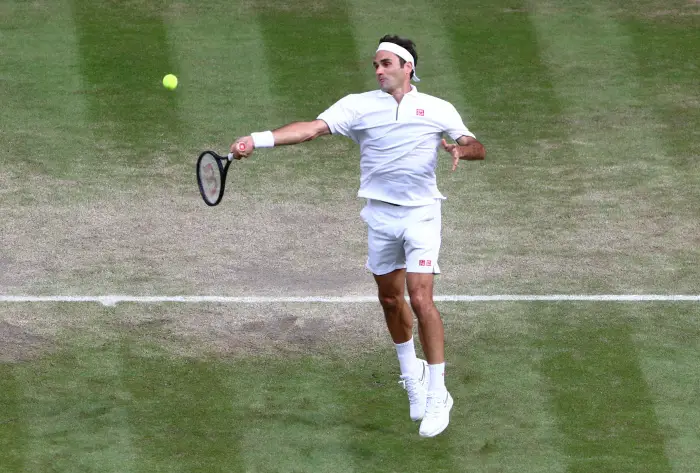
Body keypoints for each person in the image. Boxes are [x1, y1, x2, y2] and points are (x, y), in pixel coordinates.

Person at [229, 34, 485, 438]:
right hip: (380, 216)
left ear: (408, 68)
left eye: (386, 63)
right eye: (376, 65)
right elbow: (310, 130)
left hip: (422, 215)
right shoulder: (357, 106)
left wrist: (460, 150)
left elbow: (476, 145)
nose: (379, 70)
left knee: (420, 297)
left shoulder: (437, 108)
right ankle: (411, 376)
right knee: (388, 299)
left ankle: (438, 392)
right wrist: (256, 140)